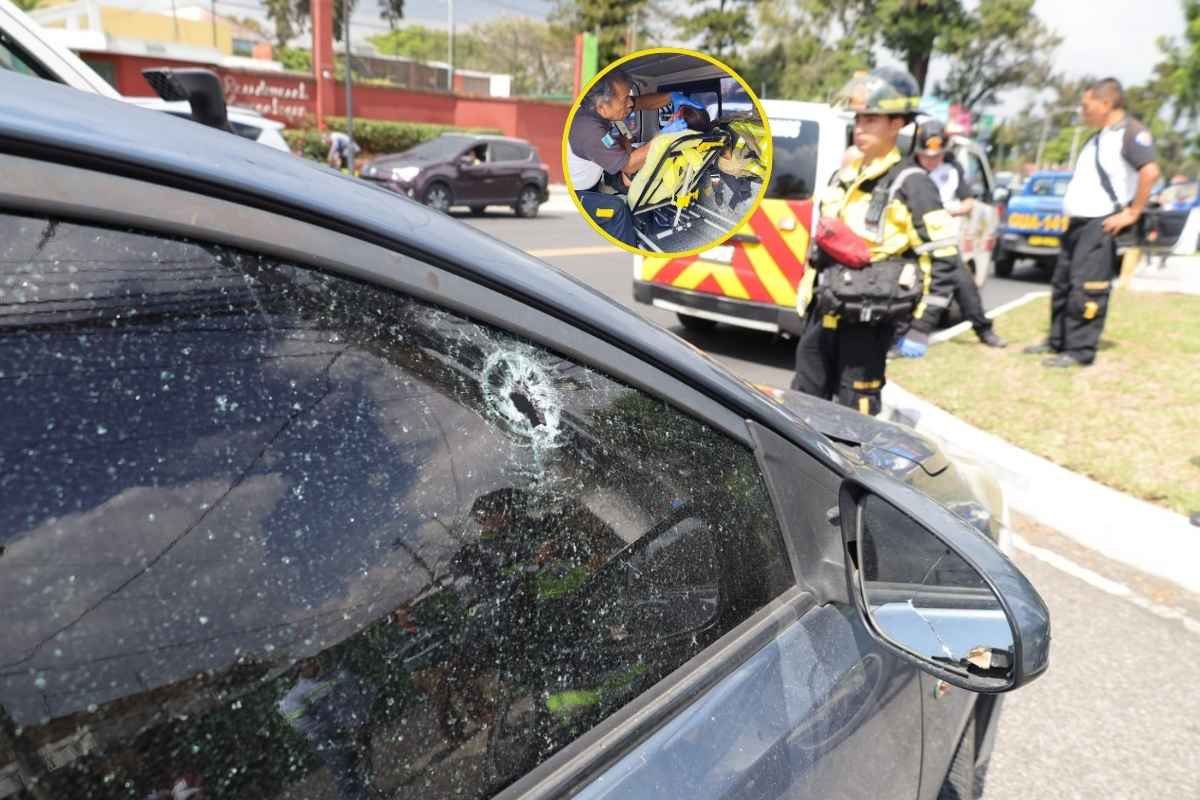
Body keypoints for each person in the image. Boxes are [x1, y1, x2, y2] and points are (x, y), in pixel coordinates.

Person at [790, 67, 959, 416]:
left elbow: (943, 256)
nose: (861, 126)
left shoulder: (913, 184)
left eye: (872, 118)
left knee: (856, 420)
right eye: (859, 118)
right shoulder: (845, 176)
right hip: (822, 315)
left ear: (898, 124)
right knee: (801, 411)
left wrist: (922, 327)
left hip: (867, 323)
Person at [1023, 77, 1161, 367]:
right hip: (1077, 223)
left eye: (1087, 105)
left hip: (1099, 224)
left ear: (1106, 103)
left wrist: (1133, 212)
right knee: (1063, 283)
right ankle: (1058, 341)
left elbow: (1150, 172)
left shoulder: (1131, 134)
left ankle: (1080, 350)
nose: (1082, 111)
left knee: (1088, 287)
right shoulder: (1098, 136)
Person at [905, 119, 1006, 349]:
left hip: (943, 241)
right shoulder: (908, 171)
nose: (932, 160)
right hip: (912, 241)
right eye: (927, 156)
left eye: (937, 155)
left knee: (965, 287)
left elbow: (968, 201)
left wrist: (953, 210)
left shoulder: (952, 170)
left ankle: (984, 329)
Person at [566, 68, 689, 245]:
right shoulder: (589, 130)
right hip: (579, 195)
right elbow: (629, 165)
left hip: (594, 179)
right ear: (602, 106)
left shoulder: (602, 109)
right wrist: (663, 137)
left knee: (633, 188)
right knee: (617, 209)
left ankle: (647, 224)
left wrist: (671, 97)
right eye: (625, 100)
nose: (630, 105)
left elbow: (638, 102)